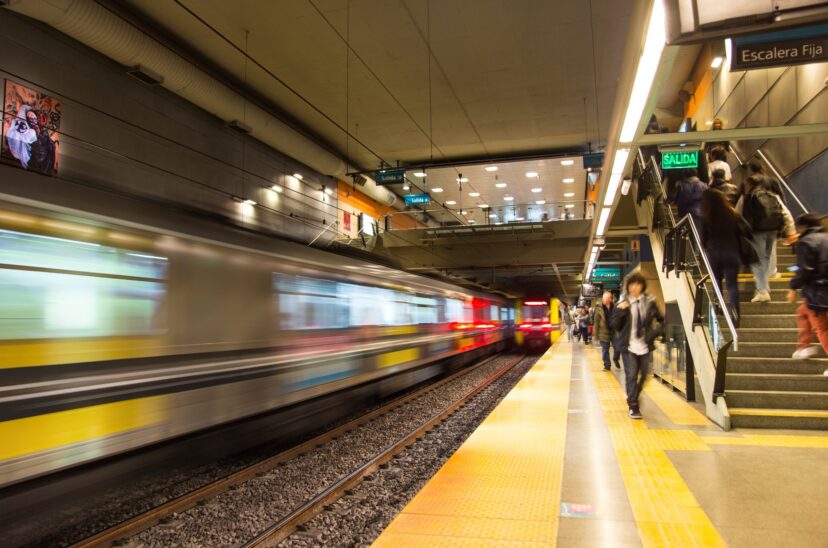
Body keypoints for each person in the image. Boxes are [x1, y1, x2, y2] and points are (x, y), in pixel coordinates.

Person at [610, 272, 664, 419]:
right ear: (628, 286)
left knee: (645, 376)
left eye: (637, 284)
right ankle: (633, 405)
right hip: (629, 346)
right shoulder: (621, 303)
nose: (634, 287)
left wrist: (655, 333)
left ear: (642, 286)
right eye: (632, 284)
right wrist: (621, 311)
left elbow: (661, 319)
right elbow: (615, 325)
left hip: (645, 345)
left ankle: (633, 396)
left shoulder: (650, 301)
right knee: (631, 375)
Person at [737, 175, 795, 302]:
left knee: (758, 261)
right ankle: (765, 288)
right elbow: (786, 213)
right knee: (766, 259)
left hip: (757, 232)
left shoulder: (746, 198)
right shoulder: (772, 196)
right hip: (772, 231)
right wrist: (791, 232)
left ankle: (762, 291)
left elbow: (737, 215)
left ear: (749, 185)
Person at [701, 188, 752, 323]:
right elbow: (746, 229)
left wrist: (707, 247)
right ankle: (735, 314)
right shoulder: (733, 214)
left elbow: (703, 240)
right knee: (732, 285)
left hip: (715, 253)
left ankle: (718, 306)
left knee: (716, 282)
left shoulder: (706, 216)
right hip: (732, 253)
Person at [787, 214, 828, 376]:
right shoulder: (826, 238)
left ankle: (805, 346)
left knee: (822, 328)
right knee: (802, 312)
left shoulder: (806, 242)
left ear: (803, 227)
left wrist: (792, 287)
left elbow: (805, 269)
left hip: (817, 290)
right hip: (821, 288)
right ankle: (804, 346)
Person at [593, 291, 621, 371]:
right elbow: (596, 322)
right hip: (603, 332)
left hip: (614, 331)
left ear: (610, 299)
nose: (603, 300)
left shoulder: (615, 307)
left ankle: (616, 358)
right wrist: (596, 336)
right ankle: (607, 365)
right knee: (605, 350)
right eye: (603, 298)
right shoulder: (599, 308)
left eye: (605, 298)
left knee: (617, 347)